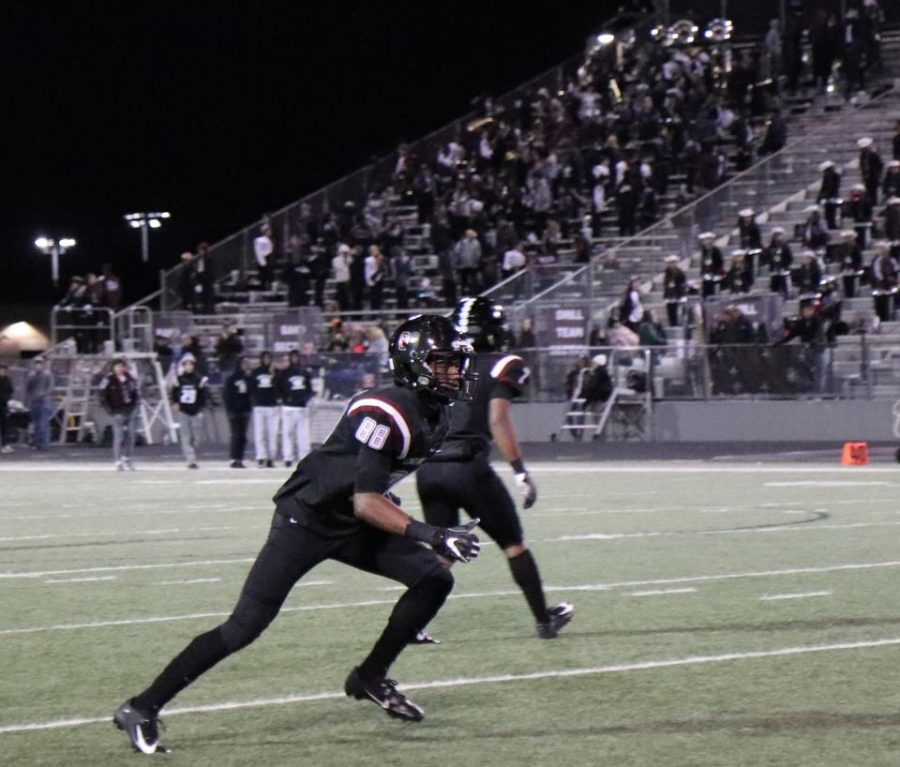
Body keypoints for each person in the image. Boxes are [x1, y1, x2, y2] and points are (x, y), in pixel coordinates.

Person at [113, 315, 481, 754]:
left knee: (434, 580)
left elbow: (374, 486)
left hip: (352, 519)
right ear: (414, 362)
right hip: (306, 520)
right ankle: (142, 706)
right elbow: (366, 499)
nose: (455, 371)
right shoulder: (387, 409)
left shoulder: (435, 412)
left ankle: (369, 677)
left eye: (456, 362)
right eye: (443, 363)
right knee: (244, 627)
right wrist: (433, 535)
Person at [416, 298, 572, 640]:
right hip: (466, 468)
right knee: (513, 543)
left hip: (429, 468)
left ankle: (413, 624)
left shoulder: (440, 364)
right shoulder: (503, 363)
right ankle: (544, 620)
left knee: (444, 551)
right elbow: (497, 419)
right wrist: (519, 471)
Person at [100, 358, 140, 470]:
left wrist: (134, 404)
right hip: (117, 411)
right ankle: (117, 460)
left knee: (131, 435)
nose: (120, 369)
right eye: (117, 366)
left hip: (130, 409)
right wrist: (110, 410)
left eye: (122, 366)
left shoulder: (130, 378)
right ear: (113, 368)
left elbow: (135, 392)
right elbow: (102, 396)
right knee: (119, 436)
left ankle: (127, 457)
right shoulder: (108, 380)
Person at [276, 349, 314, 468]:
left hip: (302, 408)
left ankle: (304, 458)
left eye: (297, 357)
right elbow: (279, 388)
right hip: (288, 408)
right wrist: (285, 399)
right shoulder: (284, 373)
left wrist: (305, 399)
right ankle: (288, 457)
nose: (295, 359)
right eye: (293, 357)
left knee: (303, 435)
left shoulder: (305, 373)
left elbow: (309, 389)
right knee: (288, 433)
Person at [171, 357, 208, 469]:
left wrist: (201, 407)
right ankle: (191, 460)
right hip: (184, 410)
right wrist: (175, 402)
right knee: (186, 436)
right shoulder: (179, 379)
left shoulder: (198, 379)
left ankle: (194, 452)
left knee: (198, 437)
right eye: (186, 365)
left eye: (191, 365)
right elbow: (174, 392)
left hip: (196, 410)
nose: (189, 367)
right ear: (183, 367)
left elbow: (203, 394)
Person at [250, 351, 278, 467]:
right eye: (264, 358)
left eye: (268, 358)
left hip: (272, 406)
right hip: (259, 406)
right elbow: (252, 387)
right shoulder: (256, 372)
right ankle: (261, 456)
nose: (267, 360)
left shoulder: (275, 372)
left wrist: (273, 376)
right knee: (260, 432)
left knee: (272, 433)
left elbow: (278, 387)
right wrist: (256, 399)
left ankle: (271, 457)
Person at [223, 356, 252, 468]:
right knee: (236, 434)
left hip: (245, 411)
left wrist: (249, 408)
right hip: (234, 411)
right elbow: (227, 395)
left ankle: (240, 458)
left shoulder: (248, 379)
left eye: (247, 363)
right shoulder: (232, 379)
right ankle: (234, 458)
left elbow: (250, 395)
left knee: (243, 436)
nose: (246, 365)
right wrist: (229, 409)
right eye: (244, 363)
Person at [25, 358, 53, 450]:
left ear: (43, 364)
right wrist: (30, 398)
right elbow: (28, 388)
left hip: (44, 401)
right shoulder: (31, 376)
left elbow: (50, 387)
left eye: (40, 363)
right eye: (36, 363)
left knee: (43, 423)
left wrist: (44, 394)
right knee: (36, 423)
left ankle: (45, 444)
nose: (38, 365)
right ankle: (37, 444)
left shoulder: (47, 375)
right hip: (34, 402)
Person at [662, 255, 687, 327]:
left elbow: (682, 282)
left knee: (675, 309)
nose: (671, 264)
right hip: (669, 293)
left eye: (673, 262)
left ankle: (676, 323)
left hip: (677, 293)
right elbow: (665, 283)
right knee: (670, 309)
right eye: (669, 263)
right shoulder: (667, 272)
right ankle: (672, 323)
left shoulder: (679, 272)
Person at [0, 363, 14, 453]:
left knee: (4, 425)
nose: (2, 371)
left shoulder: (7, 380)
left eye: (4, 370)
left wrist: (7, 398)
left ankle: (4, 445)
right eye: (1, 369)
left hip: (3, 405)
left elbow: (11, 390)